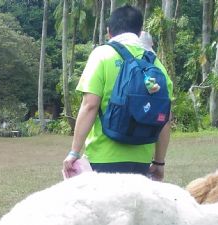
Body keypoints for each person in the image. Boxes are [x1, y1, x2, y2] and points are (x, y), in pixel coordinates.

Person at [63, 6, 173, 181]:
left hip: (103, 158)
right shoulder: (155, 63)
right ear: (139, 32)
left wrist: (74, 152)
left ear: (109, 31)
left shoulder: (102, 55)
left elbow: (90, 105)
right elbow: (165, 117)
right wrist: (159, 162)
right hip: (141, 161)